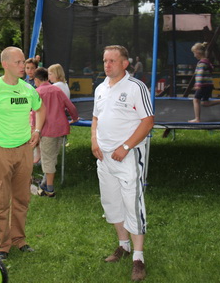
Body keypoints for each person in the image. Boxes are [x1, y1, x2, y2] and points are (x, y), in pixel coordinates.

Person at [0, 46, 45, 260]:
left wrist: (37, 131)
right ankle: (1, 246)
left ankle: (19, 240)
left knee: (21, 200)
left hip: (24, 151)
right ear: (5, 64)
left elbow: (41, 109)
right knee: (0, 203)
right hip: (0, 153)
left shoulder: (28, 89)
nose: (23, 66)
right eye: (18, 62)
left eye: (23, 62)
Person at [91, 45, 154, 282]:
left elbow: (148, 122)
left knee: (132, 204)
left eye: (112, 61)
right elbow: (96, 118)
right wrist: (94, 141)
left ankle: (138, 257)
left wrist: (126, 147)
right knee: (111, 202)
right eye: (105, 60)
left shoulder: (136, 87)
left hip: (128, 157)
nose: (107, 65)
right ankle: (123, 245)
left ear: (125, 63)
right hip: (104, 157)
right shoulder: (100, 88)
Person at [33, 67, 78, 197]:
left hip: (46, 130)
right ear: (47, 77)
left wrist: (34, 130)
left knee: (47, 159)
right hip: (60, 128)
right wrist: (75, 118)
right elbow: (71, 106)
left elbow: (34, 114)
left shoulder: (37, 92)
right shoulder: (57, 90)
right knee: (52, 156)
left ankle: (50, 189)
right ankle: (43, 184)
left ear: (36, 80)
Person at [189, 43, 220, 123]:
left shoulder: (201, 63)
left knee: (195, 100)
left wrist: (198, 84)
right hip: (209, 85)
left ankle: (197, 119)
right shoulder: (207, 61)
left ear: (198, 52)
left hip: (203, 85)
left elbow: (200, 74)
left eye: (194, 53)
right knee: (205, 103)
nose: (194, 55)